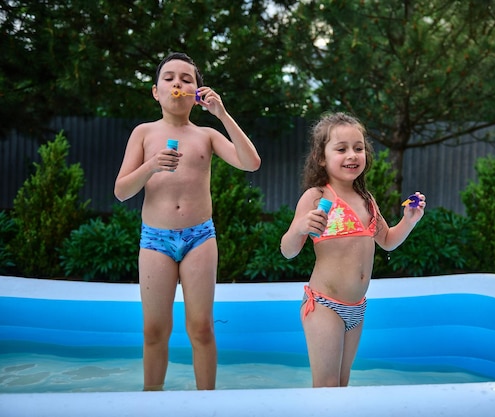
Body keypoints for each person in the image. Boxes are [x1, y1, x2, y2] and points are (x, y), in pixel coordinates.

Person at [114, 52, 261, 391]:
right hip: (155, 240)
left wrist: (222, 115)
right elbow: (121, 191)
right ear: (156, 91)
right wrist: (150, 166)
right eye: (169, 78)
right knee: (154, 330)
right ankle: (151, 401)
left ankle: (206, 404)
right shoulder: (144, 133)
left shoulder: (206, 136)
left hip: (199, 238)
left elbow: (251, 163)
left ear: (197, 92)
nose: (177, 83)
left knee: (202, 328)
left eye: (186, 79)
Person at [280, 112, 425, 388]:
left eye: (359, 148)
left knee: (342, 386)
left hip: (356, 308)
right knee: (326, 387)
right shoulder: (316, 197)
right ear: (322, 157)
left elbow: (388, 241)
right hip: (324, 305)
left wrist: (409, 221)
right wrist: (299, 226)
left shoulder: (366, 199)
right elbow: (288, 251)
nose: (352, 155)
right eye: (342, 149)